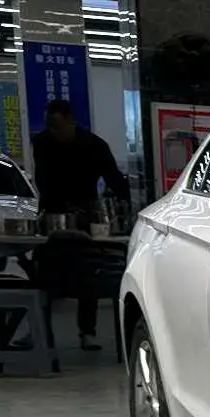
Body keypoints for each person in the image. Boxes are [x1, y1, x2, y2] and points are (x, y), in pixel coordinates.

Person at [30, 99, 131, 352]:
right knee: (42, 270)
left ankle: (88, 331)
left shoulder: (94, 146)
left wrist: (123, 204)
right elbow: (44, 180)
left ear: (71, 121)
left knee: (89, 271)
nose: (54, 131)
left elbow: (114, 179)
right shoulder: (42, 143)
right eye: (50, 126)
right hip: (53, 214)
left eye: (58, 126)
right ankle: (37, 329)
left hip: (86, 213)